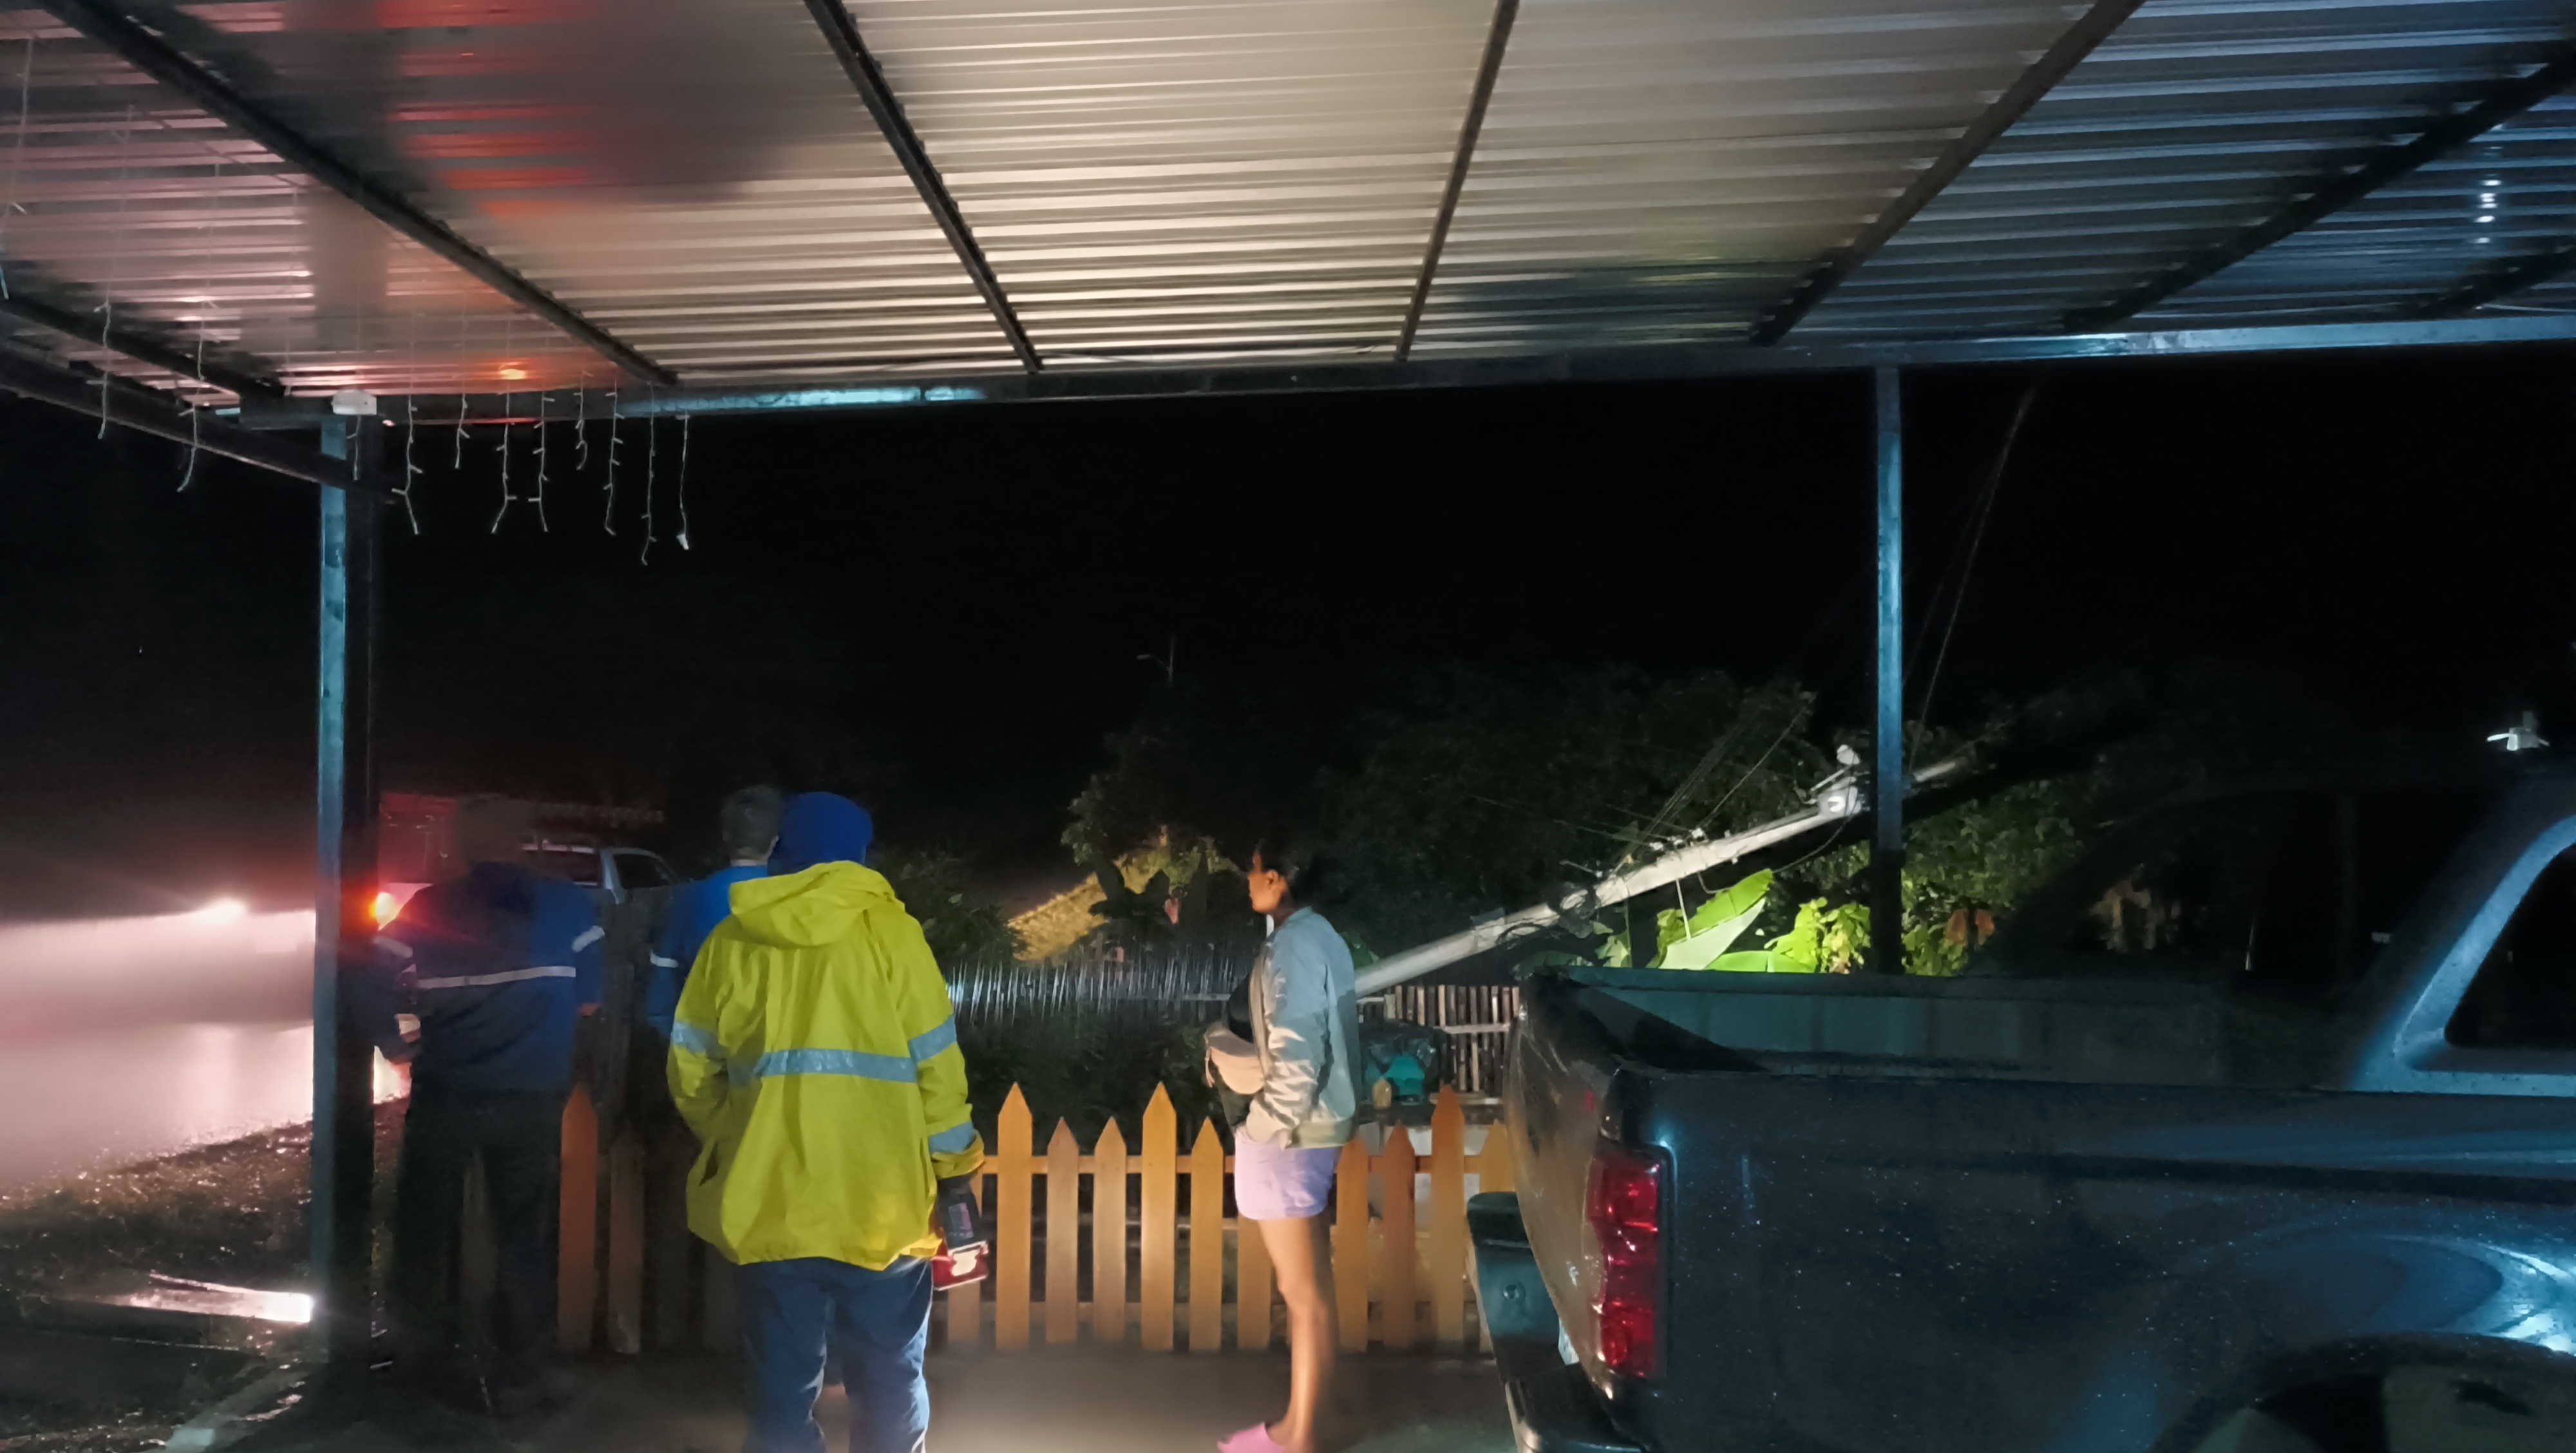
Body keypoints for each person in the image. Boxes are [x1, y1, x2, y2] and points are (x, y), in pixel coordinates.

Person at [668, 793, 984, 1453]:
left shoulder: (732, 940)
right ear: (860, 855)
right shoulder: (895, 936)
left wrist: (738, 1136)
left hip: (772, 1202)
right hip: (882, 1208)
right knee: (890, 1379)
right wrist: (954, 1170)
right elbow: (938, 1069)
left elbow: (692, 1070)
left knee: (781, 1393)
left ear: (781, 848)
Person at [355, 795, 603, 1413]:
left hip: (448, 1091)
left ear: (459, 847)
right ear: (524, 842)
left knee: (424, 1225)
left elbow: (366, 979)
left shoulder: (428, 907)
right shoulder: (569, 905)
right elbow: (590, 1002)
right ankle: (521, 1371)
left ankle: (418, 1366)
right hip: (532, 1095)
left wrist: (397, 1045)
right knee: (525, 1231)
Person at [1220, 840, 1364, 1453]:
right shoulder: (1322, 936)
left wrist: (1260, 1126)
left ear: (1276, 879)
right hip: (1314, 1132)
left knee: (1303, 1299)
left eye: (1253, 870)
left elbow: (1298, 1057)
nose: (1248, 880)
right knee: (1313, 1295)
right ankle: (1310, 1423)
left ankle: (1296, 1438)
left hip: (1290, 1136)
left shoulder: (1294, 947)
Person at [644, 784, 784, 1040]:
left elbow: (662, 992)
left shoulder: (689, 900)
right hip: (775, 1052)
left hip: (706, 1049)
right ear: (775, 841)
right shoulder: (794, 899)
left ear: (725, 837)